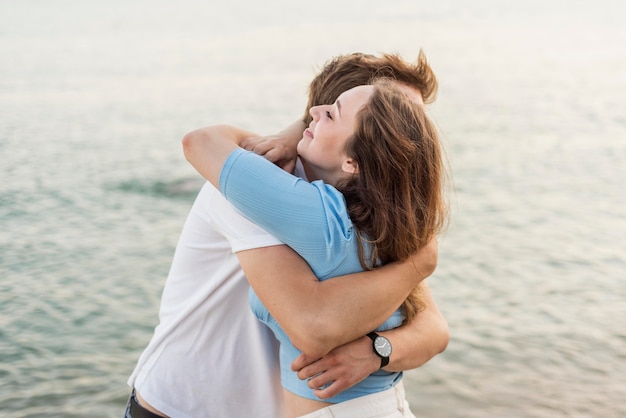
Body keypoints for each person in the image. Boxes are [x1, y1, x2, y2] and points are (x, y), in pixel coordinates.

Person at [125, 52, 448, 418]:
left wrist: (377, 350)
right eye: (396, 114)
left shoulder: (366, 211)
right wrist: (418, 263)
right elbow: (312, 325)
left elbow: (433, 329)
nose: (411, 138)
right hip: (183, 409)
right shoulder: (260, 189)